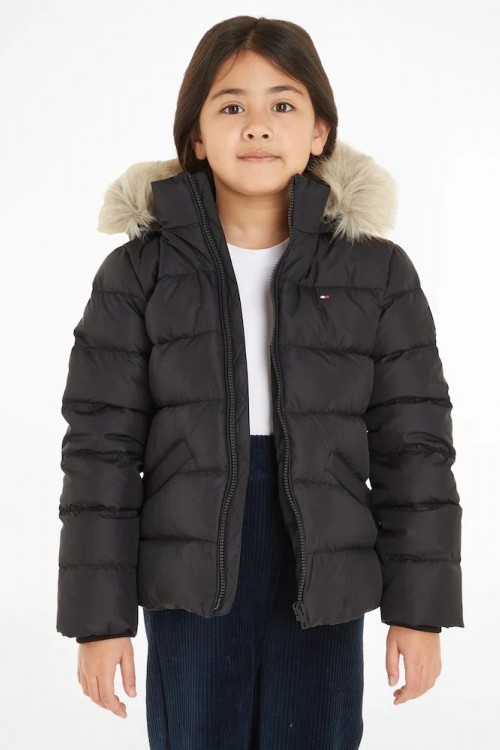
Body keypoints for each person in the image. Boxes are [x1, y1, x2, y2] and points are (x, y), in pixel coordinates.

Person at [56, 14, 464, 749]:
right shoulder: (138, 275)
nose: (257, 126)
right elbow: (100, 453)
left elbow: (414, 448)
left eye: (282, 104)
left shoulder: (376, 273)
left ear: (319, 131)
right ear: (196, 136)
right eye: (230, 106)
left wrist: (420, 610)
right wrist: (99, 622)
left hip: (325, 567)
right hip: (189, 569)